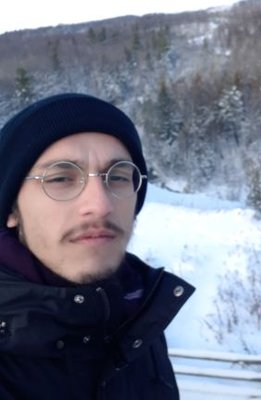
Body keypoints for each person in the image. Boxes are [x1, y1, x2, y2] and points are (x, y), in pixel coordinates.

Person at [0, 93, 195, 399]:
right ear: (11, 209)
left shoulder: (139, 326)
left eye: (117, 177)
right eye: (61, 177)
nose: (100, 205)